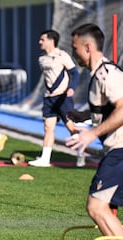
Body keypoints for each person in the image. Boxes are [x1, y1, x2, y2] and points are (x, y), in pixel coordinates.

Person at [66, 23, 123, 236]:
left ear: (88, 47)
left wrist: (92, 133)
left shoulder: (107, 73)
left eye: (75, 48)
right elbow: (109, 109)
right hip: (116, 150)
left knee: (96, 207)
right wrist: (85, 116)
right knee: (102, 207)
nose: (74, 53)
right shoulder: (98, 73)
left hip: (120, 150)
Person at [28, 29, 83, 167]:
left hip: (63, 97)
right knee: (48, 127)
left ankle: (81, 155)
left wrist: (71, 88)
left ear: (51, 41)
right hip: (49, 98)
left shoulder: (62, 55)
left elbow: (75, 74)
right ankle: (45, 159)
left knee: (71, 127)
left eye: (42, 39)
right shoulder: (41, 58)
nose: (39, 42)